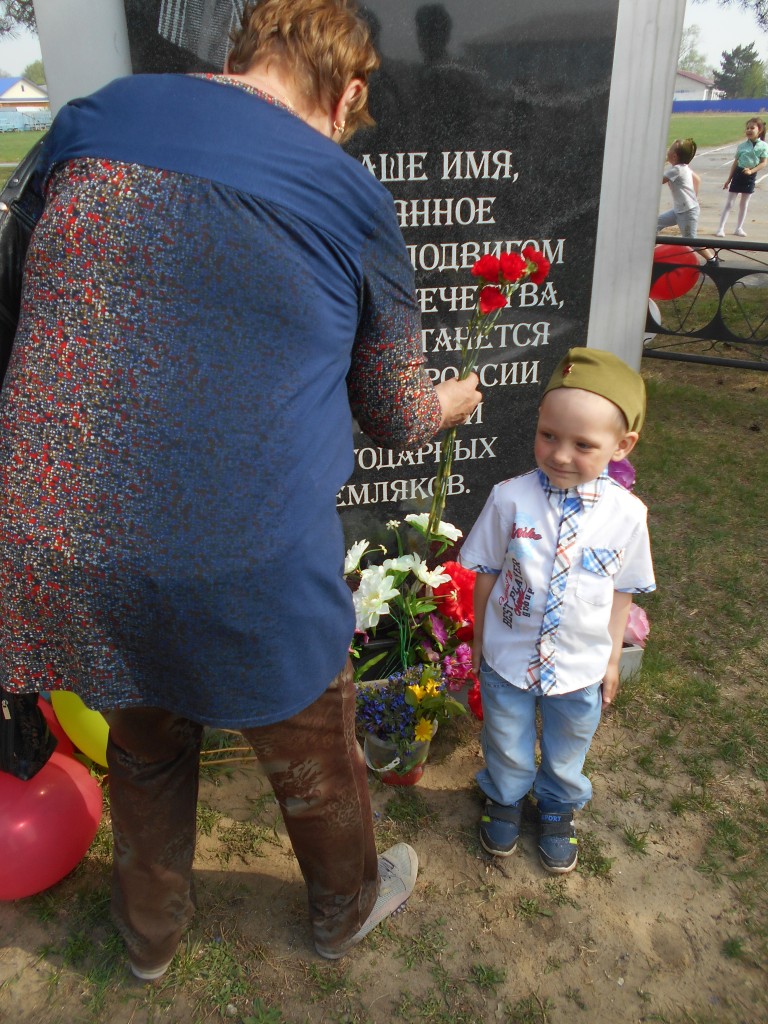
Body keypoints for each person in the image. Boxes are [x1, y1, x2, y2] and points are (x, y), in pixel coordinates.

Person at [0, 0, 482, 979]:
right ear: (347, 92)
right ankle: (345, 908)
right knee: (312, 745)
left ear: (241, 55)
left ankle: (149, 938)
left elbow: (14, 304)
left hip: (76, 533)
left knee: (144, 739)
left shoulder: (96, 120)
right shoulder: (348, 194)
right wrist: (455, 400)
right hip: (245, 552)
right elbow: (396, 414)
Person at [459, 349, 655, 874]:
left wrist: (610, 660)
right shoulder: (509, 499)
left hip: (579, 665)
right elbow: (487, 571)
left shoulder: (627, 516)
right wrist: (481, 638)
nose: (561, 454)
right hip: (509, 657)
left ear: (622, 445)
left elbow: (622, 591)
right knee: (506, 736)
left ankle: (557, 804)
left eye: (583, 444)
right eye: (548, 435)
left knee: (569, 743)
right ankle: (504, 796)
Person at [658, 137, 717, 265]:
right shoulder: (684, 167)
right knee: (656, 224)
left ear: (674, 156)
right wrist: (692, 197)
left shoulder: (677, 170)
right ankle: (648, 253)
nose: (667, 151)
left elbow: (659, 180)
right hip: (680, 209)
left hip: (687, 212)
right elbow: (697, 179)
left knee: (690, 241)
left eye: (669, 149)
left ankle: (712, 260)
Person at [716, 117, 768, 238]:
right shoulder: (742, 146)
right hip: (739, 174)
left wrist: (751, 171)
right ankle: (721, 228)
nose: (749, 130)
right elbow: (735, 162)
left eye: (752, 128)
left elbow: (763, 163)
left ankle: (739, 228)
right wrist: (729, 179)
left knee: (744, 203)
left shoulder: (763, 146)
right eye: (747, 128)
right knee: (730, 203)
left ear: (759, 130)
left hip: (750, 176)